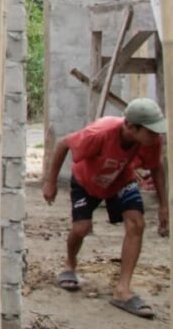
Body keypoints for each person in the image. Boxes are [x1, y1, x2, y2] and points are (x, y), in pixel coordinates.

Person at [43, 97, 168, 319]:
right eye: (151, 131)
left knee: (137, 223)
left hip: (121, 180)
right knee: (81, 228)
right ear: (131, 127)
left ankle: (122, 290)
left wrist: (164, 206)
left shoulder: (151, 141)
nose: (156, 136)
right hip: (86, 181)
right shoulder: (99, 133)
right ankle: (70, 263)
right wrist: (50, 182)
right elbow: (64, 144)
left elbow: (156, 167)